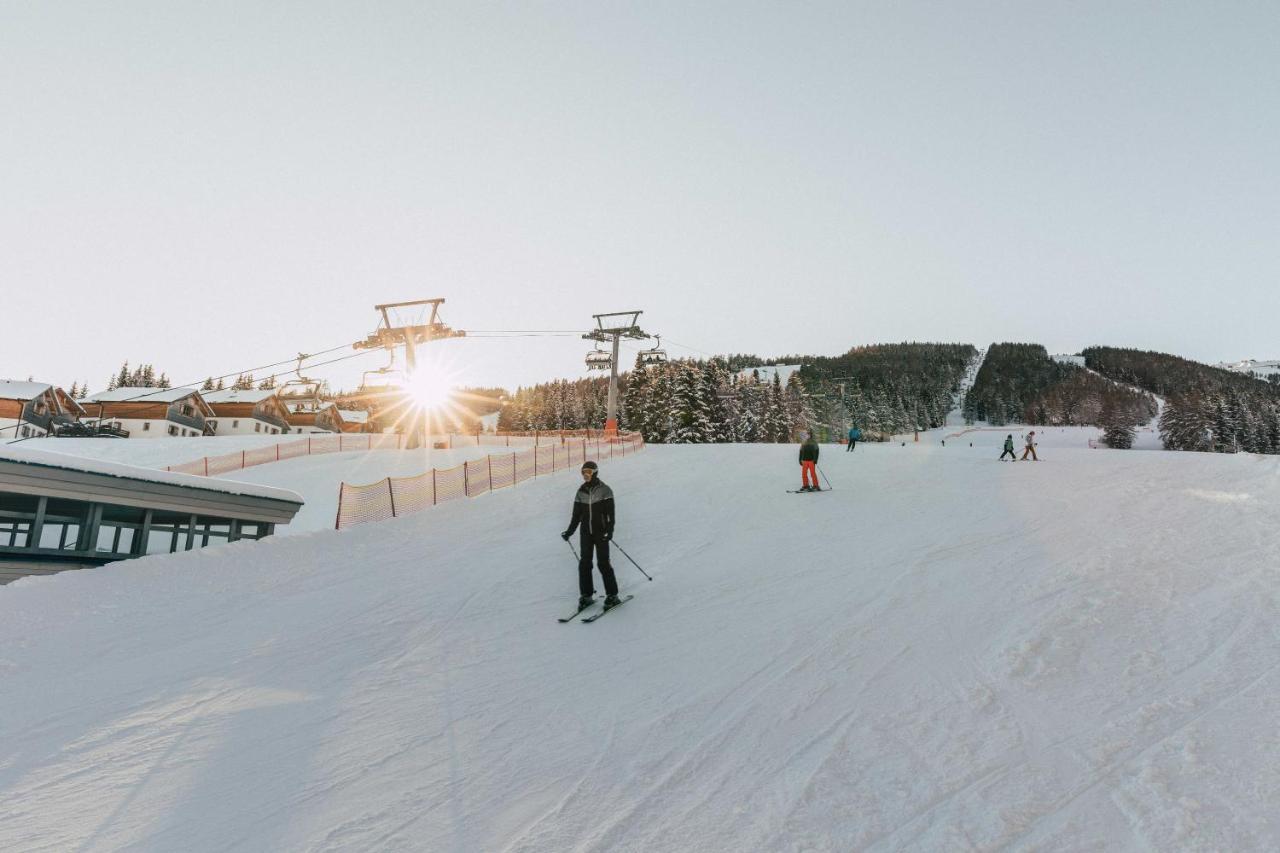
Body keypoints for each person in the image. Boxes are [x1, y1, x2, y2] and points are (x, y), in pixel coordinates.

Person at [561, 461, 619, 609]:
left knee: (603, 563)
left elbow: (611, 514)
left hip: (601, 533)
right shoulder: (580, 492)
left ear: (595, 472)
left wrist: (610, 530)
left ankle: (612, 595)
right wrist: (570, 531)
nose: (585, 475)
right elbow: (576, 516)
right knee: (584, 564)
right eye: (583, 472)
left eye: (588, 471)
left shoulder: (605, 490)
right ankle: (586, 595)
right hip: (586, 533)